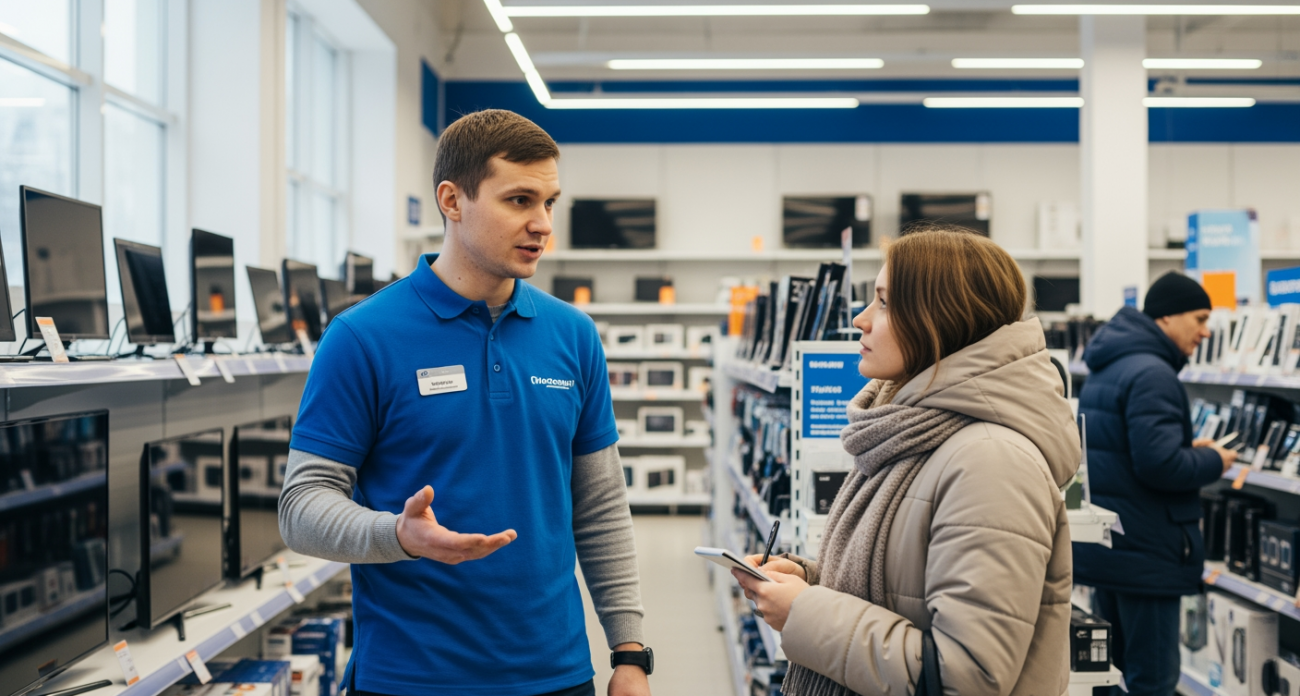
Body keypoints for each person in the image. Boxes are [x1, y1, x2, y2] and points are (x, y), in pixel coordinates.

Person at [279, 109, 653, 696]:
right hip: (411, 678)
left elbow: (600, 506)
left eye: (550, 202)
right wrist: (398, 535)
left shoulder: (572, 335)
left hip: (557, 674)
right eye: (520, 200)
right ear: (452, 200)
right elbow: (301, 506)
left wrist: (630, 652)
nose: (542, 224)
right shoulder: (361, 337)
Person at [733, 226, 1081, 696]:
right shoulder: (910, 432)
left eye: (883, 302)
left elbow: (967, 676)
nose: (860, 319)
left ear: (939, 318)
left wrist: (805, 613)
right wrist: (811, 583)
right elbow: (907, 593)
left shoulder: (992, 463)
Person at [1073, 271, 1236, 696]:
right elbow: (1160, 466)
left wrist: (1185, 445)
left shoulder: (1108, 367)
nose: (1205, 331)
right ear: (1166, 317)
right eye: (1199, 318)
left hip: (1110, 550)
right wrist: (1211, 459)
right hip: (1148, 553)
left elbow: (1125, 453)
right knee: (1154, 679)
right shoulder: (1153, 373)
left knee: (1108, 673)